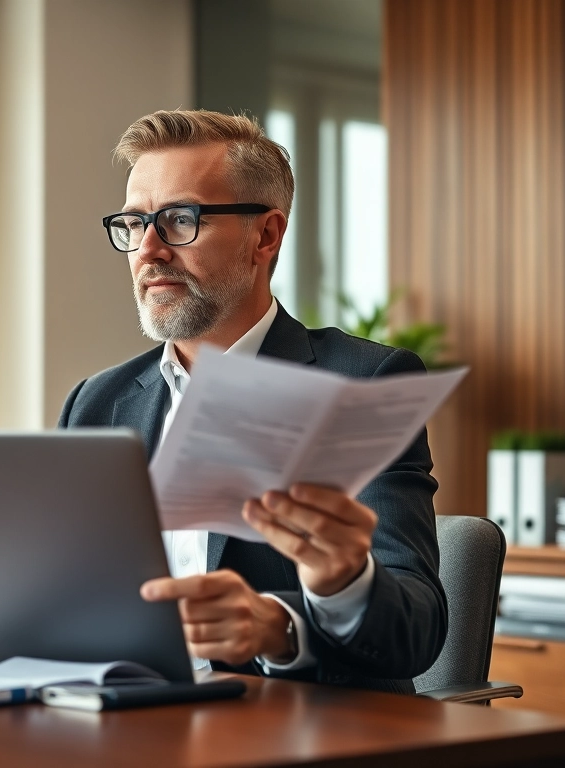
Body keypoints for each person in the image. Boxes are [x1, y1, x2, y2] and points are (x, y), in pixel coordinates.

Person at [58, 109, 445, 693]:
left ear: (265, 235)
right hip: (118, 719)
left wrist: (291, 621)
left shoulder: (360, 384)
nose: (149, 251)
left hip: (292, 731)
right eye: (136, 225)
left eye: (180, 220)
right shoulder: (96, 402)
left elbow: (416, 628)